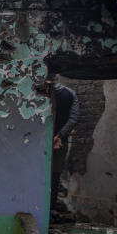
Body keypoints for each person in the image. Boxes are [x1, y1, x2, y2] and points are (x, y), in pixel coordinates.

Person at [47, 73, 79, 213]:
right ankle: (50, 208)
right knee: (54, 175)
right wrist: (59, 135)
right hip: (59, 141)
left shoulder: (39, 90)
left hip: (34, 139)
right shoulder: (70, 94)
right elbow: (73, 118)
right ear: (57, 76)